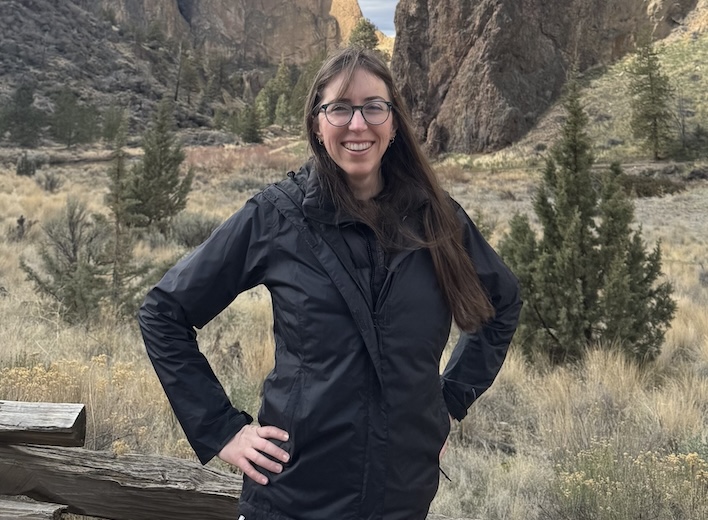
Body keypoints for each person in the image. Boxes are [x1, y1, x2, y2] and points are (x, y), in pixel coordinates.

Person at [138, 47, 522, 520]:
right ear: (318, 124)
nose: (357, 124)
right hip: (294, 492)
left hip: (400, 495)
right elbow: (164, 312)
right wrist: (221, 430)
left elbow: (503, 302)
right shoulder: (277, 216)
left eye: (373, 107)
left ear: (394, 123)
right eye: (339, 108)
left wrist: (448, 402)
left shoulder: (437, 220)